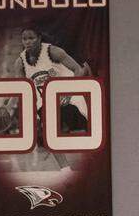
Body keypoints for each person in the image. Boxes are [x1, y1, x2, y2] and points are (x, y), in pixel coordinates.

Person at [7, 28, 91, 172]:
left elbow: (77, 70)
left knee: (89, 122)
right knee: (49, 134)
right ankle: (66, 171)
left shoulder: (53, 52)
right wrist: (7, 107)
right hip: (45, 102)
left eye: (31, 38)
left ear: (39, 38)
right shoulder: (20, 63)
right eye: (24, 39)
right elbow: (19, 88)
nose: (27, 42)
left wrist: (69, 91)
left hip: (69, 93)